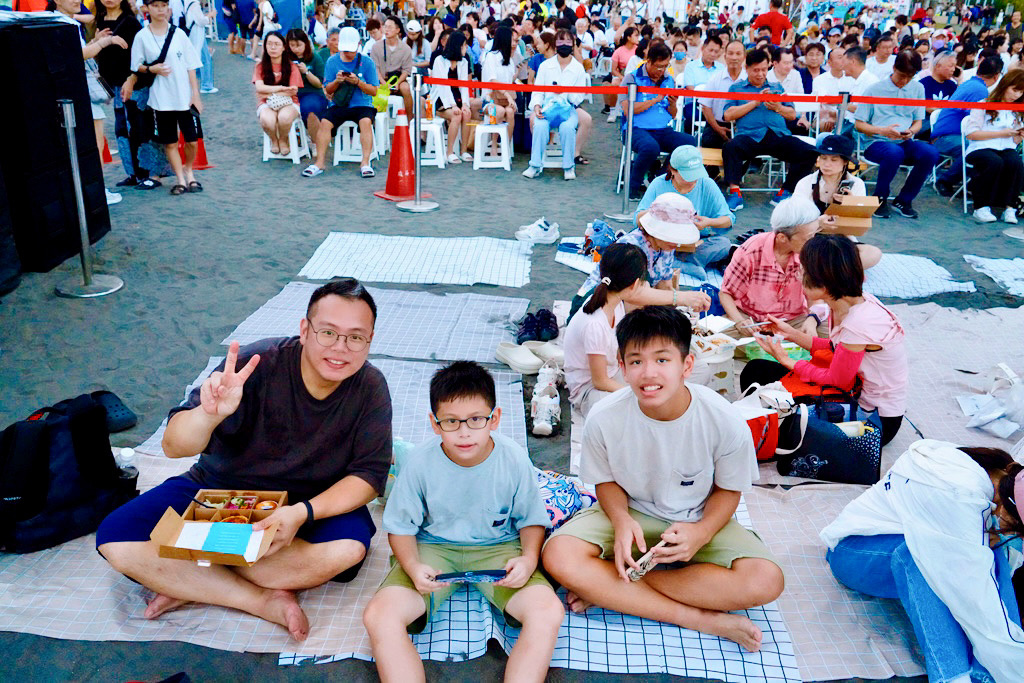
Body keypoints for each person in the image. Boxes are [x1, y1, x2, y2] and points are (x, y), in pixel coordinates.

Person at [97, 279, 393, 641]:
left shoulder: (370, 386)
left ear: (370, 340)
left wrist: (301, 513)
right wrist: (208, 415)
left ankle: (193, 578)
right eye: (328, 332)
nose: (340, 348)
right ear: (304, 330)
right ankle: (258, 600)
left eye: (355, 337)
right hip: (219, 490)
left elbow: (368, 476)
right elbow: (174, 446)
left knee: (346, 552)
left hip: (309, 503)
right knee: (117, 538)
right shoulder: (256, 364)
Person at [542, 305, 784, 653]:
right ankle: (701, 619)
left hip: (697, 517)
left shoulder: (723, 419)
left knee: (766, 580)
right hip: (632, 513)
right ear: (622, 368)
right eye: (636, 361)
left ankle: (614, 589)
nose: (648, 373)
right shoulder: (604, 417)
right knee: (559, 555)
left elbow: (729, 491)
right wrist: (622, 520)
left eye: (662, 359)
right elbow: (605, 481)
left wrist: (701, 532)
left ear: (686, 365)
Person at [363, 361, 562, 683]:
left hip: (498, 549)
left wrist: (528, 558)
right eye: (451, 422)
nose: (465, 432)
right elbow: (400, 527)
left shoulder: (512, 458)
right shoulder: (418, 463)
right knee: (379, 616)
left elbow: (531, 519)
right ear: (434, 423)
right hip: (433, 548)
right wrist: (413, 566)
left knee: (548, 612)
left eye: (476, 419)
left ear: (494, 418)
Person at [820, 440, 1024, 683]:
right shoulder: (960, 491)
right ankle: (951, 676)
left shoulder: (985, 471)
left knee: (986, 553)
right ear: (1004, 508)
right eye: (1013, 530)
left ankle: (987, 673)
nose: (1007, 534)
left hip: (893, 546)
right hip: (851, 552)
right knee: (922, 556)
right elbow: (975, 596)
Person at [740, 233, 908, 446]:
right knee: (757, 371)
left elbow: (837, 380)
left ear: (823, 286)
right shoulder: (847, 303)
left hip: (873, 419)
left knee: (779, 423)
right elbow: (832, 347)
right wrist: (789, 333)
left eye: (804, 272)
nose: (799, 276)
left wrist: (788, 361)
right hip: (852, 391)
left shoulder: (859, 322)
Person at [571, 193, 712, 319]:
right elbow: (633, 294)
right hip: (594, 306)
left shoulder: (665, 246)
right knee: (643, 286)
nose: (676, 242)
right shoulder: (632, 246)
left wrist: (679, 309)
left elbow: (665, 284)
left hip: (624, 306)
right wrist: (682, 297)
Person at [722, 48, 819, 210]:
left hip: (777, 135)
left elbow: (791, 114)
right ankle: (735, 193)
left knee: (810, 152)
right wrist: (755, 102)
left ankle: (786, 191)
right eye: (756, 70)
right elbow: (728, 115)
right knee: (730, 147)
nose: (760, 74)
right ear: (747, 69)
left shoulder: (777, 88)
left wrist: (778, 107)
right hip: (749, 136)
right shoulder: (736, 88)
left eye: (764, 69)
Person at [125, 0, 204, 196]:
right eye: (155, 5)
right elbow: (137, 65)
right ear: (146, 9)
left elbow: (191, 65)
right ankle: (180, 179)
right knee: (169, 142)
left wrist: (195, 94)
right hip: (161, 98)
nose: (161, 10)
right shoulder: (142, 36)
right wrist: (152, 69)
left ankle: (189, 170)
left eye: (163, 5)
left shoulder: (179, 34)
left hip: (184, 97)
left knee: (192, 141)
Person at [563, 243, 647, 416]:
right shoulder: (595, 323)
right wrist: (635, 393)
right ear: (635, 284)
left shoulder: (616, 304)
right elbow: (600, 381)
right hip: (589, 390)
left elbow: (618, 352)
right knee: (626, 412)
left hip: (613, 373)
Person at [719, 196, 821, 338]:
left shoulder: (810, 253)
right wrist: (740, 322)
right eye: (809, 236)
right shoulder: (751, 251)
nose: (814, 241)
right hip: (752, 320)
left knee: (837, 338)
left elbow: (817, 297)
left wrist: (812, 319)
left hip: (795, 320)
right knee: (709, 338)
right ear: (782, 238)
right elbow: (726, 293)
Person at [855, 49, 939, 219]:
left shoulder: (917, 88)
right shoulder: (874, 89)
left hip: (903, 140)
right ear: (893, 68)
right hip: (875, 141)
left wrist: (911, 131)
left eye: (910, 77)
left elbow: (918, 122)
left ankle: (904, 199)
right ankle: (879, 198)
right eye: (902, 76)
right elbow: (859, 124)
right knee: (894, 152)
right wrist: (882, 130)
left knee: (930, 153)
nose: (904, 81)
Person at [635, 146, 734, 280]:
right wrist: (662, 210)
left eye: (696, 174)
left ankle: (672, 263)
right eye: (688, 175)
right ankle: (682, 264)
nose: (693, 179)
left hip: (694, 242)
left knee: (723, 244)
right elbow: (638, 219)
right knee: (635, 243)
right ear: (673, 170)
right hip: (662, 241)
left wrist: (709, 222)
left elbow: (728, 219)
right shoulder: (659, 184)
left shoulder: (707, 184)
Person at [618, 41, 697, 199]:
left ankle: (660, 180)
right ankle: (632, 188)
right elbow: (628, 110)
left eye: (666, 66)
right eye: (658, 66)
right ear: (649, 61)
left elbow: (672, 115)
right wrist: (655, 99)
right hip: (636, 129)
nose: (661, 71)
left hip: (662, 129)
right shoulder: (632, 78)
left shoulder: (668, 80)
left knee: (689, 143)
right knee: (650, 147)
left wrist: (673, 104)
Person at [793, 135, 883, 269]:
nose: (826, 164)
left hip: (841, 239)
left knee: (873, 253)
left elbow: (859, 223)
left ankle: (828, 268)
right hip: (811, 237)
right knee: (800, 254)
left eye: (834, 160)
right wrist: (818, 222)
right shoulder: (806, 183)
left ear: (845, 162)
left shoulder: (856, 184)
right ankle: (839, 269)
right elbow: (795, 218)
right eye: (823, 158)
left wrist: (851, 204)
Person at [301, 26, 380, 178]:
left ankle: (365, 162)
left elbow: (374, 91)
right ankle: (320, 162)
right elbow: (328, 90)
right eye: (345, 50)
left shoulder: (367, 62)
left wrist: (358, 82)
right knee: (325, 122)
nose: (348, 53)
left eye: (351, 50)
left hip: (362, 104)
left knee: (365, 122)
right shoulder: (332, 61)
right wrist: (337, 81)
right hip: (339, 104)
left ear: (358, 45)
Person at [94, 0, 148, 190]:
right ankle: (132, 173)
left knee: (138, 128)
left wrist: (132, 78)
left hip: (132, 84)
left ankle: (145, 174)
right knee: (121, 130)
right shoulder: (100, 19)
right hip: (114, 86)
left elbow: (141, 53)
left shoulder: (130, 21)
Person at [931, 56, 1003, 196]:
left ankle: (967, 183)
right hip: (947, 137)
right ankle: (946, 181)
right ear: (996, 76)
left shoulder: (969, 84)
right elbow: (976, 121)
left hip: (944, 134)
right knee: (975, 149)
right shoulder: (980, 91)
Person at [521, 29, 586, 180]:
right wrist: (537, 106)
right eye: (561, 42)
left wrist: (564, 92)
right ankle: (535, 165)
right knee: (540, 125)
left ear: (573, 45)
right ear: (555, 45)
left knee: (568, 128)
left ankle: (569, 166)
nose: (564, 45)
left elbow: (579, 97)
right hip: (547, 108)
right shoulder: (545, 66)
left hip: (568, 109)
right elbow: (537, 90)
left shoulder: (578, 68)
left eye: (568, 42)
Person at [964, 69, 1024, 224]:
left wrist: (1018, 135)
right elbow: (971, 134)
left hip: (1005, 148)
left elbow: (1014, 141)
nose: (1016, 95)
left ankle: (1010, 208)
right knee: (994, 161)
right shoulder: (983, 105)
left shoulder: (1017, 110)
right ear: (1005, 85)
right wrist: (1001, 133)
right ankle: (981, 206)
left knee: (1016, 162)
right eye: (1014, 90)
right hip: (980, 148)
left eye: (1020, 92)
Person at [698, 38, 745, 176]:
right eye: (730, 53)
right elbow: (706, 106)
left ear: (744, 57)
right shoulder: (715, 78)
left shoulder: (749, 78)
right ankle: (713, 175)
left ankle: (734, 177)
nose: (734, 58)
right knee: (708, 140)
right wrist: (718, 129)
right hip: (717, 124)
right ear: (725, 56)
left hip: (742, 126)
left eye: (738, 54)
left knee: (745, 144)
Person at [429, 30, 476, 164]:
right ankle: (449, 152)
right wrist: (453, 105)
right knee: (456, 115)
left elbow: (463, 85)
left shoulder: (464, 61)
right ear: (457, 46)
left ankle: (463, 150)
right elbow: (443, 86)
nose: (466, 48)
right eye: (464, 45)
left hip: (457, 97)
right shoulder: (439, 60)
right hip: (441, 98)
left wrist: (465, 104)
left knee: (466, 114)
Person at [253, 31, 301, 156]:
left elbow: (293, 90)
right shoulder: (260, 66)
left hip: (289, 102)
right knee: (267, 120)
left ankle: (283, 139)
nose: (273, 47)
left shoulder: (291, 67)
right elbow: (259, 88)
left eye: (276, 44)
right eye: (269, 44)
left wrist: (268, 92)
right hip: (266, 103)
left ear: (284, 47)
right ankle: (274, 139)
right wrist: (280, 88)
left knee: (284, 118)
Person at [286, 28, 328, 143]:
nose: (296, 49)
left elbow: (319, 84)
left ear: (306, 43)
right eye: (292, 45)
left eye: (299, 45)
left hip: (312, 93)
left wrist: (306, 72)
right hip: (290, 94)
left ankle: (315, 142)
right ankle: (291, 140)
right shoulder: (286, 58)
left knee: (310, 109)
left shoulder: (315, 58)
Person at [370, 16, 414, 116]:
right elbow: (375, 69)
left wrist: (398, 83)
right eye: (385, 27)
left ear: (398, 30)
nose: (387, 29)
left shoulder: (405, 48)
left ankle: (409, 118)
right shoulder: (376, 47)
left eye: (390, 27)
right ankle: (377, 119)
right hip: (381, 80)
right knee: (374, 89)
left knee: (406, 88)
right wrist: (384, 83)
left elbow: (406, 71)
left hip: (398, 79)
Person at [480, 25, 518, 137]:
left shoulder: (510, 60)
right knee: (499, 111)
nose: (514, 43)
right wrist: (507, 95)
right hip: (490, 99)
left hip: (505, 100)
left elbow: (510, 81)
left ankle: (506, 146)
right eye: (512, 40)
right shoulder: (491, 56)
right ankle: (494, 146)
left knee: (510, 112)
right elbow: (493, 81)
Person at [812, 46, 854, 133]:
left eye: (845, 57)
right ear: (829, 62)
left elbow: (853, 101)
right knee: (826, 123)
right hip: (825, 116)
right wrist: (842, 103)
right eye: (840, 57)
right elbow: (824, 100)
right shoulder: (819, 80)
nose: (843, 60)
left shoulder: (852, 79)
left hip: (847, 116)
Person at [840, 47, 879, 135]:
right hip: (848, 125)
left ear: (853, 62)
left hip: (859, 131)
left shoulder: (871, 82)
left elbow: (870, 112)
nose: (842, 66)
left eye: (843, 62)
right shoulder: (854, 81)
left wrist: (843, 105)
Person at [602, 26, 639, 119]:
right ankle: (613, 111)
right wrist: (622, 77)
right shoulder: (619, 51)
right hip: (622, 75)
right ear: (628, 37)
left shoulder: (638, 50)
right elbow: (613, 70)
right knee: (614, 85)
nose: (638, 38)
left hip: (636, 76)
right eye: (636, 36)